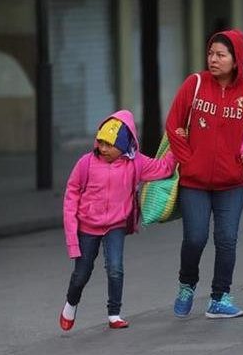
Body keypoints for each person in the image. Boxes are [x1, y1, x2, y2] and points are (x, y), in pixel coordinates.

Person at [166, 29, 243, 319]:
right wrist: (189, 161)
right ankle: (187, 284)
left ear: (236, 60)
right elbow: (174, 124)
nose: (213, 59)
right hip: (194, 182)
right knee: (195, 238)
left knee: (227, 239)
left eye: (221, 55)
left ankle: (220, 297)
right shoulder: (195, 84)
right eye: (211, 53)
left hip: (233, 183)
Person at [59, 110, 176, 331]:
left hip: (116, 225)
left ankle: (114, 313)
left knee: (115, 268)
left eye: (109, 144)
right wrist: (72, 235)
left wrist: (176, 146)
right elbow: (71, 193)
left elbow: (164, 168)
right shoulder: (86, 163)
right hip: (87, 226)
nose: (103, 148)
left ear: (124, 145)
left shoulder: (136, 163)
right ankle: (71, 303)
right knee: (82, 272)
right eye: (100, 142)